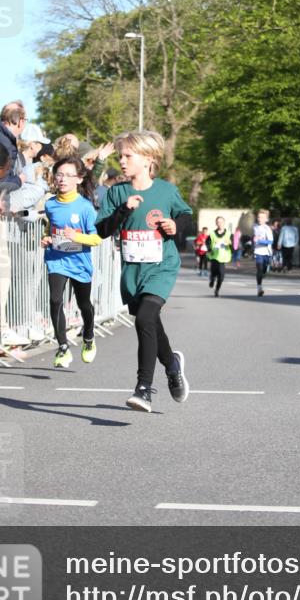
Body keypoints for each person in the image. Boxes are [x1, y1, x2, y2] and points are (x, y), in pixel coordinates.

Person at [95, 131, 192, 413]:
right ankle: (172, 365)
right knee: (149, 322)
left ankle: (143, 389)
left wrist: (175, 225)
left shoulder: (165, 191)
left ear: (148, 159)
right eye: (120, 156)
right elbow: (102, 231)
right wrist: (123, 210)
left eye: (128, 156)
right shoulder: (117, 193)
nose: (122, 161)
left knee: (146, 318)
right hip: (132, 271)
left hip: (161, 266)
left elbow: (185, 215)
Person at [41, 155, 100, 368]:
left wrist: (76, 237)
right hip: (56, 259)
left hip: (79, 261)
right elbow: (51, 229)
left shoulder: (85, 207)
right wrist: (47, 237)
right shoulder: (51, 204)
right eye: (59, 175)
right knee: (55, 300)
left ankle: (89, 336)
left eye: (68, 175)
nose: (62, 179)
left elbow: (96, 238)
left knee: (84, 304)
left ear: (79, 179)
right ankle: (63, 347)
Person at [207, 216, 232, 297]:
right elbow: (207, 243)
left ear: (224, 223)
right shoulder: (212, 234)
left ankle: (217, 290)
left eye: (221, 222)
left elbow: (233, 245)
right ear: (216, 223)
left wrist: (229, 243)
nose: (220, 224)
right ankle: (212, 280)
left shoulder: (228, 233)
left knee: (221, 275)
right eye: (218, 222)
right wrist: (210, 248)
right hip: (214, 256)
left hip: (223, 257)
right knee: (214, 272)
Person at [252, 209, 274, 297]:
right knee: (259, 269)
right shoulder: (255, 227)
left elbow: (270, 241)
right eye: (258, 217)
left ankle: (263, 274)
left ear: (266, 219)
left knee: (264, 269)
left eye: (262, 217)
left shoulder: (267, 228)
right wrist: (253, 241)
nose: (260, 219)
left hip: (267, 252)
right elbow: (253, 238)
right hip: (258, 252)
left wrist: (260, 241)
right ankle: (259, 288)